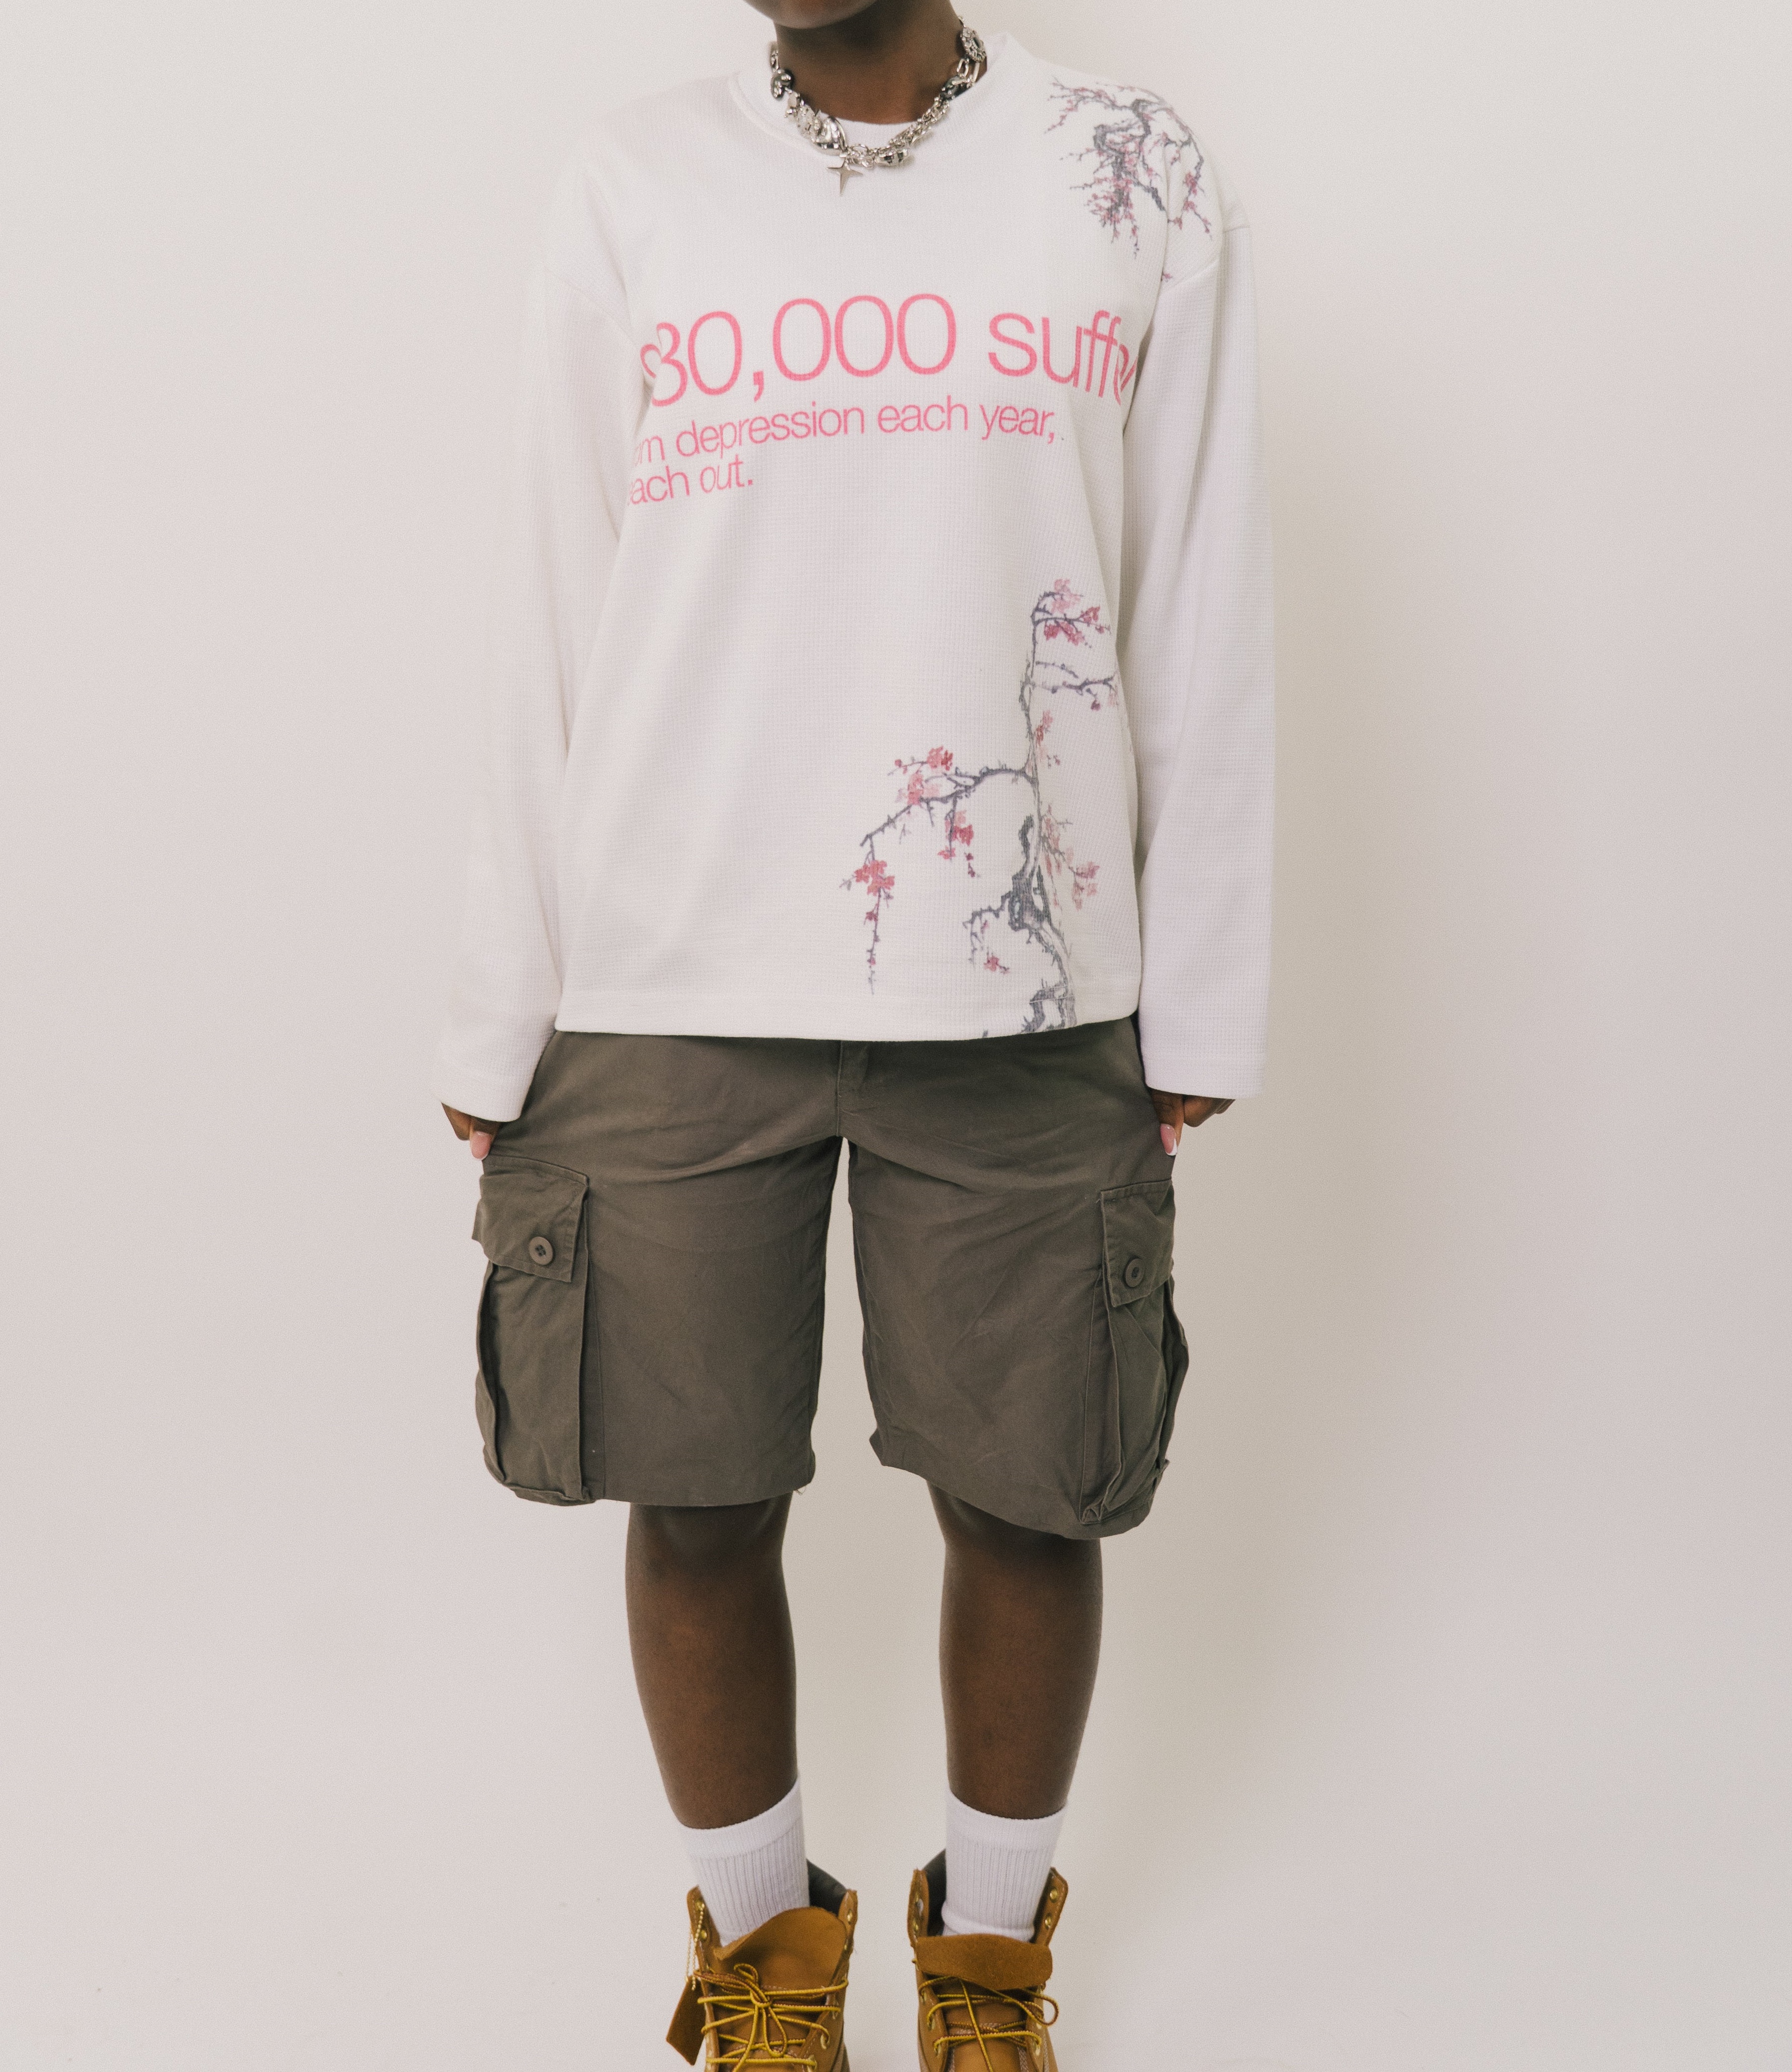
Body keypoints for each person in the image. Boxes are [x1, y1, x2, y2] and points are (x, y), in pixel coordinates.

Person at [434, 0, 1272, 2062]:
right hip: (663, 972)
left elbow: (1199, 593)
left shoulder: (1130, 175)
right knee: (692, 1491)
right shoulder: (635, 179)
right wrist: (498, 1003)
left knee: (1030, 1495)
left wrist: (1200, 983)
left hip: (1023, 978)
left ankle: (986, 1974)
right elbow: (552, 597)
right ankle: (766, 1976)